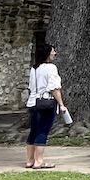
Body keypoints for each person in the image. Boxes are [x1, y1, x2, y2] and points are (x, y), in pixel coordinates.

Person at [24, 42, 66, 170]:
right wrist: (61, 104)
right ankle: (39, 161)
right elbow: (54, 88)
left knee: (34, 131)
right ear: (48, 53)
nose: (55, 53)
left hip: (33, 102)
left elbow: (32, 87)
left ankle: (30, 160)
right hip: (46, 102)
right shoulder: (51, 68)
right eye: (53, 51)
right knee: (43, 131)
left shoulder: (34, 68)